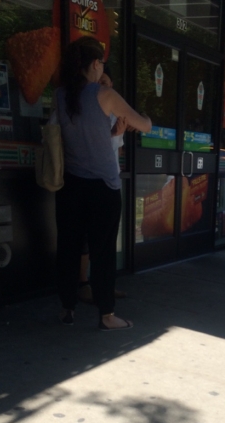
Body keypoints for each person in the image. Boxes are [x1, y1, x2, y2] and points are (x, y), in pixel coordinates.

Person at [55, 37, 151, 330]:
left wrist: (110, 134)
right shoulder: (104, 95)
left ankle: (67, 309)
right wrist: (144, 116)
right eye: (101, 64)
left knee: (69, 248)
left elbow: (75, 138)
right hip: (103, 189)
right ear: (96, 64)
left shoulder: (60, 95)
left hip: (70, 186)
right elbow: (144, 124)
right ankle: (107, 315)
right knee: (103, 252)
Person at [78, 65, 127, 304]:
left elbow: (115, 150)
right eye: (101, 83)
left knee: (107, 241)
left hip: (110, 181)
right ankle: (83, 284)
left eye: (107, 84)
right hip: (90, 181)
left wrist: (116, 134)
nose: (104, 87)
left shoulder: (114, 115)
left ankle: (104, 287)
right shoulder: (83, 110)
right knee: (87, 239)